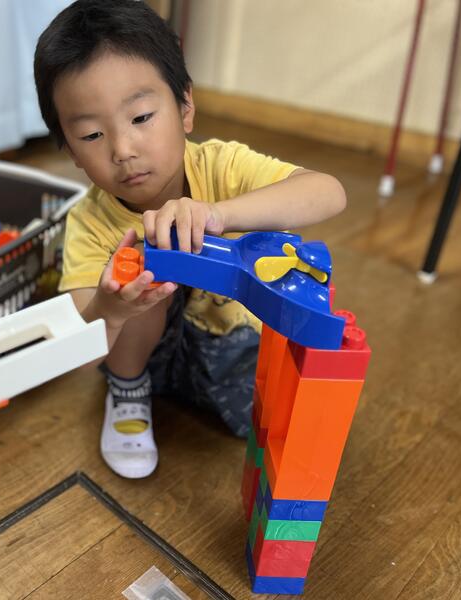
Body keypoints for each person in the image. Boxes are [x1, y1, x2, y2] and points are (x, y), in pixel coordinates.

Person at [33, 0, 346, 479]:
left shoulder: (221, 167)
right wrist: (111, 309)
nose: (122, 150)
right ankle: (129, 391)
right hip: (142, 358)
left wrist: (219, 213)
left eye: (141, 117)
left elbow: (329, 192)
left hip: (228, 348)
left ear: (185, 107)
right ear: (71, 151)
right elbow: (77, 357)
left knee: (280, 427)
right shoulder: (90, 222)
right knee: (137, 274)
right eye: (92, 135)